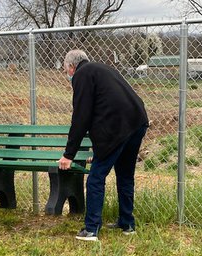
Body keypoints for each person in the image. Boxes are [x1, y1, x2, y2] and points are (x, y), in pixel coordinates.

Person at [58, 50, 149, 241]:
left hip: (118, 127)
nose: (67, 74)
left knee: (96, 177)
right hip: (137, 121)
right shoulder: (102, 69)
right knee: (125, 175)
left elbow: (82, 117)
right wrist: (100, 148)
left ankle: (91, 229)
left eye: (66, 69)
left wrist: (68, 154)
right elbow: (104, 109)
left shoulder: (82, 75)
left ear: (72, 67)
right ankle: (127, 223)